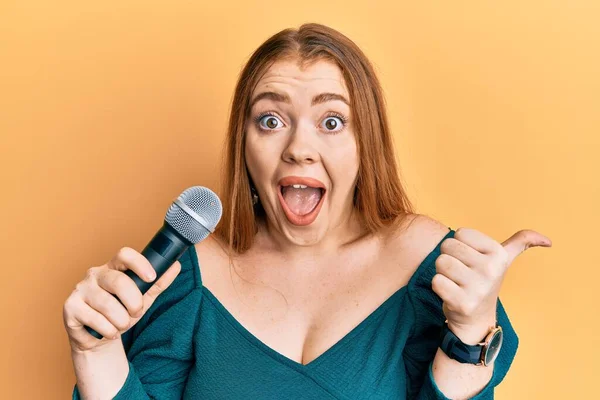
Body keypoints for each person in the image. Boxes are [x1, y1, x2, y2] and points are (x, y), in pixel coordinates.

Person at [65, 23, 551, 399]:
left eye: (332, 121)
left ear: (367, 143)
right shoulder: (191, 275)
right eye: (271, 120)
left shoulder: (425, 267)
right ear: (244, 144)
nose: (299, 147)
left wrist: (469, 333)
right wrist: (95, 352)